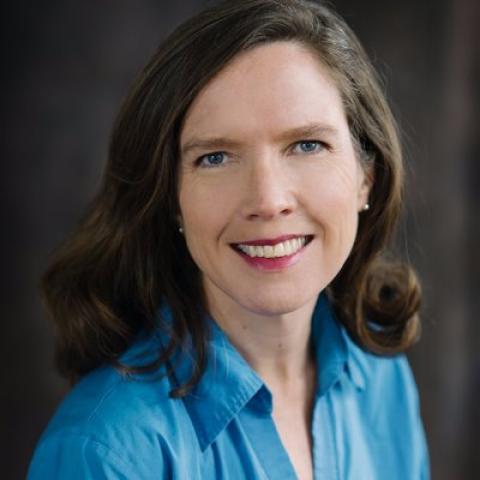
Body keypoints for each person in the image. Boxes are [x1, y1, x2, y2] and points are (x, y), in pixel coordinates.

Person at [28, 0, 430, 478]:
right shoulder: (105, 452)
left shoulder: (381, 380)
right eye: (216, 157)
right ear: (170, 197)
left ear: (367, 175)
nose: (268, 199)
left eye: (307, 145)